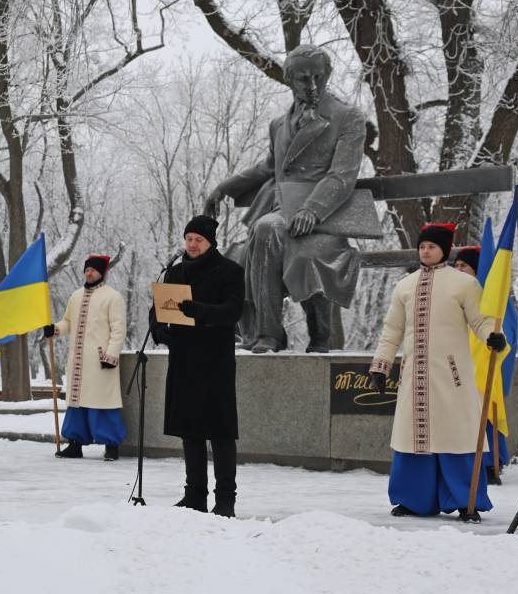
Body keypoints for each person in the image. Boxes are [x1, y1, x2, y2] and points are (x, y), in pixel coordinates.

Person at [203, 44, 366, 353]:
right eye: (304, 79)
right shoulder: (279, 124)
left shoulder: (347, 117)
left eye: (319, 76)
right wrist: (225, 188)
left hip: (324, 219)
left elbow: (342, 175)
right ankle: (264, 333)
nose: (313, 85)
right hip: (282, 212)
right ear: (290, 80)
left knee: (267, 230)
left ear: (328, 75)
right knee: (248, 245)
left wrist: (312, 210)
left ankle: (271, 334)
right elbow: (267, 167)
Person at [369, 225, 506, 522]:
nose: (425, 251)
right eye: (422, 246)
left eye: (432, 246)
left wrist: (493, 337)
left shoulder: (464, 284)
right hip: (414, 376)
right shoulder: (404, 285)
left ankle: (466, 501)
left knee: (456, 435)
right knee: (412, 437)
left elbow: (481, 321)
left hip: (452, 376)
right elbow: (392, 330)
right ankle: (411, 499)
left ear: (445, 249)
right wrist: (381, 365)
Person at [151, 215, 244, 517]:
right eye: (188, 238)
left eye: (198, 240)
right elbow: (159, 308)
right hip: (183, 360)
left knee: (220, 432)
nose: (192, 244)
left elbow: (232, 311)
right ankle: (194, 496)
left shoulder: (230, 271)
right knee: (189, 430)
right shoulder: (175, 272)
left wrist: (200, 311)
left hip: (214, 362)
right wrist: (160, 330)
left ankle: (225, 500)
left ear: (210, 242)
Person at [45, 255, 127, 461]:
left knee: (103, 403)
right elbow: (67, 322)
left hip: (100, 361)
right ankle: (75, 443)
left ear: (102, 272)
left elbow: (118, 330)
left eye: (93, 270)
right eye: (87, 269)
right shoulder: (76, 296)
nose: (89, 273)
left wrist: (110, 355)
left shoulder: (113, 297)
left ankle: (111, 445)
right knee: (76, 402)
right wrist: (54, 329)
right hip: (78, 361)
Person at [453, 245, 510, 484]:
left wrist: (496, 344)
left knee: (484, 410)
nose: (458, 270)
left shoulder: (489, 300)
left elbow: (506, 335)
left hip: (482, 362)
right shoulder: (454, 294)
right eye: (455, 266)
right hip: (457, 363)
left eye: (463, 266)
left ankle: (489, 462)